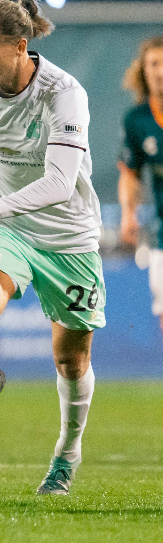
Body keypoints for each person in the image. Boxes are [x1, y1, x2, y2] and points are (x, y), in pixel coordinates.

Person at [0, 0, 102, 496]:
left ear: (21, 47)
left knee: (71, 362)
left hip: (67, 236)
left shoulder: (64, 95)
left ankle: (66, 454)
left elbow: (61, 183)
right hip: (9, 229)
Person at [117, 36, 163, 331]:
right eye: (154, 64)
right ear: (144, 71)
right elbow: (130, 174)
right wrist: (128, 215)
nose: (160, 71)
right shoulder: (137, 120)